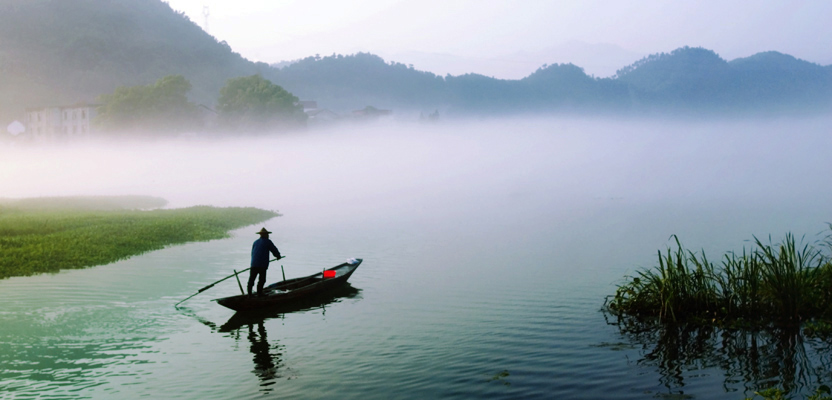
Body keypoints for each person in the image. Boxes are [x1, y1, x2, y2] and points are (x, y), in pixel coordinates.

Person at [248, 227, 282, 296]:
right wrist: (278, 256)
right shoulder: (267, 241)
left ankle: (249, 294)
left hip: (254, 264)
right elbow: (274, 250)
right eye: (267, 234)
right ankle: (259, 293)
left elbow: (252, 253)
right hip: (262, 265)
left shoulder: (255, 242)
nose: (268, 235)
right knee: (262, 280)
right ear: (265, 235)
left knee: (252, 279)